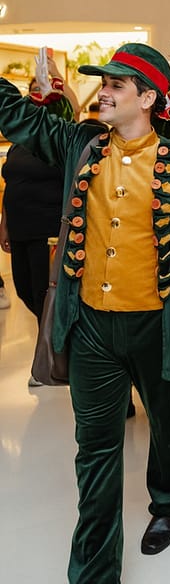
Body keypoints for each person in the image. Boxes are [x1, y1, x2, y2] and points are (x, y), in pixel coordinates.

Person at [0, 42, 170, 584]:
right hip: (94, 327)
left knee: (169, 426)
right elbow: (16, 115)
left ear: (148, 98)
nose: (105, 91)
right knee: (94, 453)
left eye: (119, 84)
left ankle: (168, 500)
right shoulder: (80, 144)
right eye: (104, 83)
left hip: (160, 326)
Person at [0, 60, 77, 386]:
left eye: (40, 91)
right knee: (25, 292)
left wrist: (60, 81)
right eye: (31, 91)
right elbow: (10, 182)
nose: (36, 96)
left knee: (46, 294)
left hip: (48, 231)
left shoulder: (60, 139)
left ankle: (54, 356)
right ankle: (51, 348)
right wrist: (4, 224)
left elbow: (70, 107)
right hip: (19, 228)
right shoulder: (20, 141)